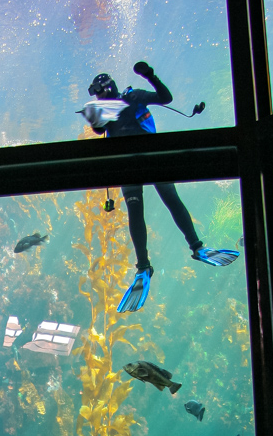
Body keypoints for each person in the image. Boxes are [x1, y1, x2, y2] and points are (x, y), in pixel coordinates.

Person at [82, 63, 239, 313]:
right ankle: (189, 250)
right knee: (164, 202)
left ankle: (155, 262)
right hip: (142, 161)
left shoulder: (132, 97)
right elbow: (98, 127)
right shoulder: (108, 107)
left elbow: (166, 98)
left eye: (98, 92)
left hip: (141, 161)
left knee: (164, 202)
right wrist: (96, 112)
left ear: (106, 88)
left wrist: (150, 76)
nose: (98, 98)